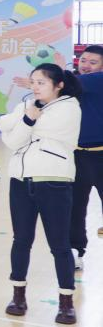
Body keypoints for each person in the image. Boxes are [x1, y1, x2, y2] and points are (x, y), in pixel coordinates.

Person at [0, 64, 82, 325]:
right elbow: (11, 136)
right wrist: (13, 122)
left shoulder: (69, 107)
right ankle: (18, 296)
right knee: (21, 240)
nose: (35, 87)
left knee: (60, 245)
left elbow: (23, 132)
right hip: (20, 180)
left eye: (41, 82)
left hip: (54, 181)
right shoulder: (29, 104)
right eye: (33, 82)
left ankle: (66, 302)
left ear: (59, 85)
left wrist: (25, 122)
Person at [68, 45, 102, 269]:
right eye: (83, 60)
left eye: (92, 62)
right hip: (77, 155)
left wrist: (45, 78)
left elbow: (67, 82)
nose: (86, 65)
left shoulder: (96, 80)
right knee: (75, 206)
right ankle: (75, 251)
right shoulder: (73, 84)